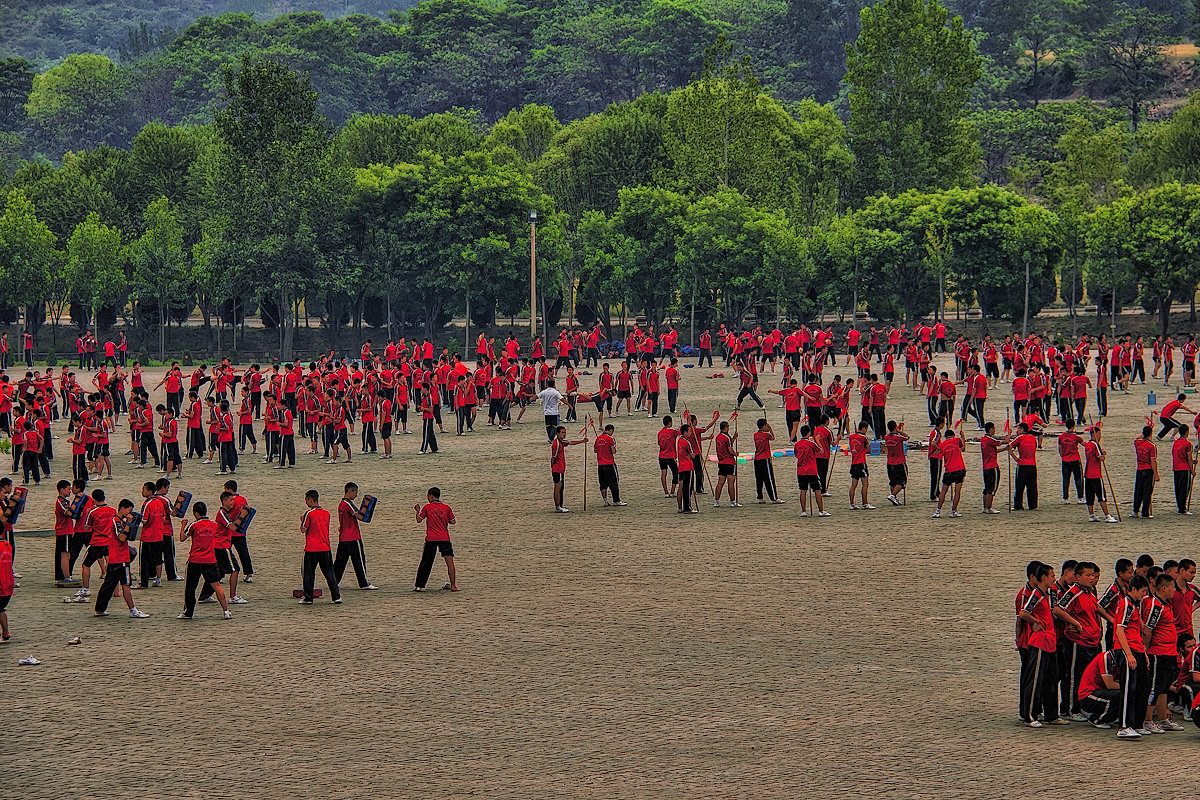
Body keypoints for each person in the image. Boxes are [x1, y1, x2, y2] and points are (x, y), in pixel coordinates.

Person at [93, 499, 151, 619]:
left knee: (108, 584)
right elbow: (122, 537)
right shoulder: (117, 521)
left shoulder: (119, 521)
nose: (129, 513)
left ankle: (100, 608)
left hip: (115, 557)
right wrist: (129, 523)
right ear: (122, 509)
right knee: (126, 584)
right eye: (129, 510)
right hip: (121, 558)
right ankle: (133, 610)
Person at [176, 502, 231, 620]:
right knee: (217, 585)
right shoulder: (213, 525)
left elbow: (182, 538)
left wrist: (182, 525)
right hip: (210, 559)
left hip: (195, 560)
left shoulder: (194, 525)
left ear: (196, 513)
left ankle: (188, 613)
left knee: (190, 588)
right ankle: (226, 611)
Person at [298, 489, 341, 605]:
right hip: (325, 547)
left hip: (312, 548)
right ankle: (336, 596)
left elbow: (303, 529)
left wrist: (301, 519)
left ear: (310, 500)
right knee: (329, 573)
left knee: (308, 573)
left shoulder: (309, 513)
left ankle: (308, 597)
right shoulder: (326, 513)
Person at [334, 482, 378, 590]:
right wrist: (367, 504)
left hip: (343, 537)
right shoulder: (348, 504)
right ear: (350, 491)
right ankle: (364, 583)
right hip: (353, 537)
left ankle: (333, 581)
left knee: (340, 562)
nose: (356, 495)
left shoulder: (341, 504)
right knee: (359, 561)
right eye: (356, 492)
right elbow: (360, 516)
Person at [413, 487, 458, 592]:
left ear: (431, 496)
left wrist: (417, 511)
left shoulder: (427, 507)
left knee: (426, 562)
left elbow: (419, 520)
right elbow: (453, 521)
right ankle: (453, 585)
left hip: (431, 538)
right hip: (444, 538)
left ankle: (419, 586)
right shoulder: (446, 508)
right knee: (450, 561)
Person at [1077, 649, 1125, 729]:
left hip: (1100, 692)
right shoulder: (1106, 657)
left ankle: (1110, 718)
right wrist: (1129, 687)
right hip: (1088, 695)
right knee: (1120, 694)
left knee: (1124, 694)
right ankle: (1096, 719)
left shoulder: (1118, 661)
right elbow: (1110, 685)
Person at [551, 425, 588, 513]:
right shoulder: (556, 444)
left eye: (565, 432)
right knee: (558, 487)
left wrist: (582, 441)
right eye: (562, 433)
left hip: (561, 468)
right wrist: (552, 466)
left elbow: (570, 442)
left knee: (561, 487)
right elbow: (553, 457)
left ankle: (560, 505)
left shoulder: (561, 442)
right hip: (558, 468)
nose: (564, 434)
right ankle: (557, 506)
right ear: (558, 433)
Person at [793, 426, 827, 517]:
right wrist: (818, 441)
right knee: (817, 490)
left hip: (801, 470)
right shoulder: (811, 444)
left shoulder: (797, 444)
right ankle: (821, 510)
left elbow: (796, 455)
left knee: (803, 490)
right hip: (812, 470)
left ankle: (803, 511)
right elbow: (821, 451)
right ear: (809, 433)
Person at [933, 428, 966, 518]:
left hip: (949, 470)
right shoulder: (957, 440)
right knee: (957, 491)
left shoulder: (943, 444)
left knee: (943, 491)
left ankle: (938, 511)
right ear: (953, 435)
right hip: (959, 468)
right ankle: (953, 511)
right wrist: (963, 436)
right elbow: (963, 448)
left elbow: (937, 453)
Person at [593, 424, 626, 507]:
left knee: (603, 483)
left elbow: (595, 450)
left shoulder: (598, 438)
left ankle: (605, 501)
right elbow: (613, 451)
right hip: (609, 464)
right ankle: (616, 501)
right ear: (611, 430)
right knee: (614, 483)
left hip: (600, 464)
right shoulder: (610, 439)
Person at [752, 418, 783, 504]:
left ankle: (760, 497)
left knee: (759, 479)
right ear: (764, 426)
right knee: (769, 478)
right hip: (765, 458)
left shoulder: (755, 435)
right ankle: (774, 498)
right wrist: (770, 428)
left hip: (757, 458)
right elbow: (772, 437)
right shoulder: (766, 435)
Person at [1010, 423, 1039, 511]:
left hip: (1022, 464)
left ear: (1022, 429)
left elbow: (1009, 447)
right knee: (1032, 486)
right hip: (1032, 464)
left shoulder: (1020, 438)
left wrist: (1015, 458)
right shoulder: (1033, 438)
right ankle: (1033, 505)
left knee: (1020, 486)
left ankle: (1018, 505)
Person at [1132, 425, 1159, 518]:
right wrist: (1156, 475)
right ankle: (1145, 513)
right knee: (1147, 492)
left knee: (1138, 490)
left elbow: (1137, 437)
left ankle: (1135, 510)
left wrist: (1144, 433)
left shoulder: (1137, 443)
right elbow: (1153, 461)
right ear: (1151, 434)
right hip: (1148, 470)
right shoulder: (1152, 446)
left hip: (1139, 469)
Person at [712, 418, 740, 508]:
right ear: (726, 427)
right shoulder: (726, 437)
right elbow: (730, 449)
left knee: (720, 482)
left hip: (721, 462)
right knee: (731, 483)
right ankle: (732, 502)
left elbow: (727, 444)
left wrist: (734, 438)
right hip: (729, 462)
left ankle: (716, 501)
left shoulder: (718, 437)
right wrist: (735, 454)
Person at [847, 421, 873, 510]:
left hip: (853, 463)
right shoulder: (863, 437)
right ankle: (865, 503)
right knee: (865, 484)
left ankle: (852, 504)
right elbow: (869, 449)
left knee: (854, 484)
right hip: (861, 462)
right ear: (864, 428)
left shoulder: (851, 437)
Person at [883, 420, 909, 506]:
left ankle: (894, 497)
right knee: (902, 481)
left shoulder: (886, 437)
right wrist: (900, 430)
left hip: (890, 462)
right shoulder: (898, 437)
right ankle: (893, 495)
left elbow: (894, 433)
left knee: (893, 481)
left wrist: (897, 428)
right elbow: (907, 437)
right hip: (899, 462)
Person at [1058, 421, 1084, 504]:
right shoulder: (1076, 437)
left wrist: (1063, 457)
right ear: (1073, 426)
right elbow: (1085, 444)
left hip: (1065, 460)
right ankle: (1080, 498)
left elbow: (1060, 449)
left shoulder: (1061, 437)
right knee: (1078, 479)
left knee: (1066, 479)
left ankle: (1066, 498)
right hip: (1075, 459)